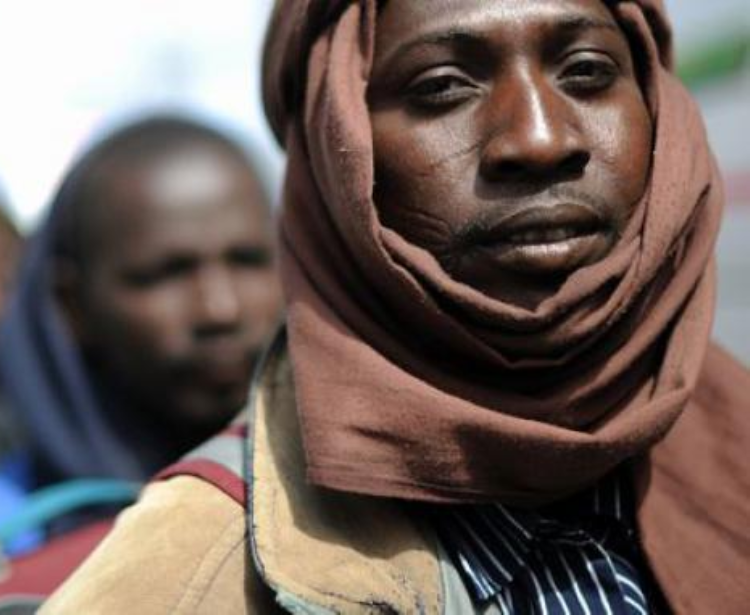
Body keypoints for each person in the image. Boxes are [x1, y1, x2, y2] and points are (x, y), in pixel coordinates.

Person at [43, 1, 750, 614]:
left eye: (588, 71)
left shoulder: (732, 441)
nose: (539, 138)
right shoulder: (181, 581)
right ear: (333, 150)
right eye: (443, 86)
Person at [0, 116, 283, 580]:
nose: (220, 308)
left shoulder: (343, 505)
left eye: (249, 261)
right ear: (74, 305)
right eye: (165, 273)